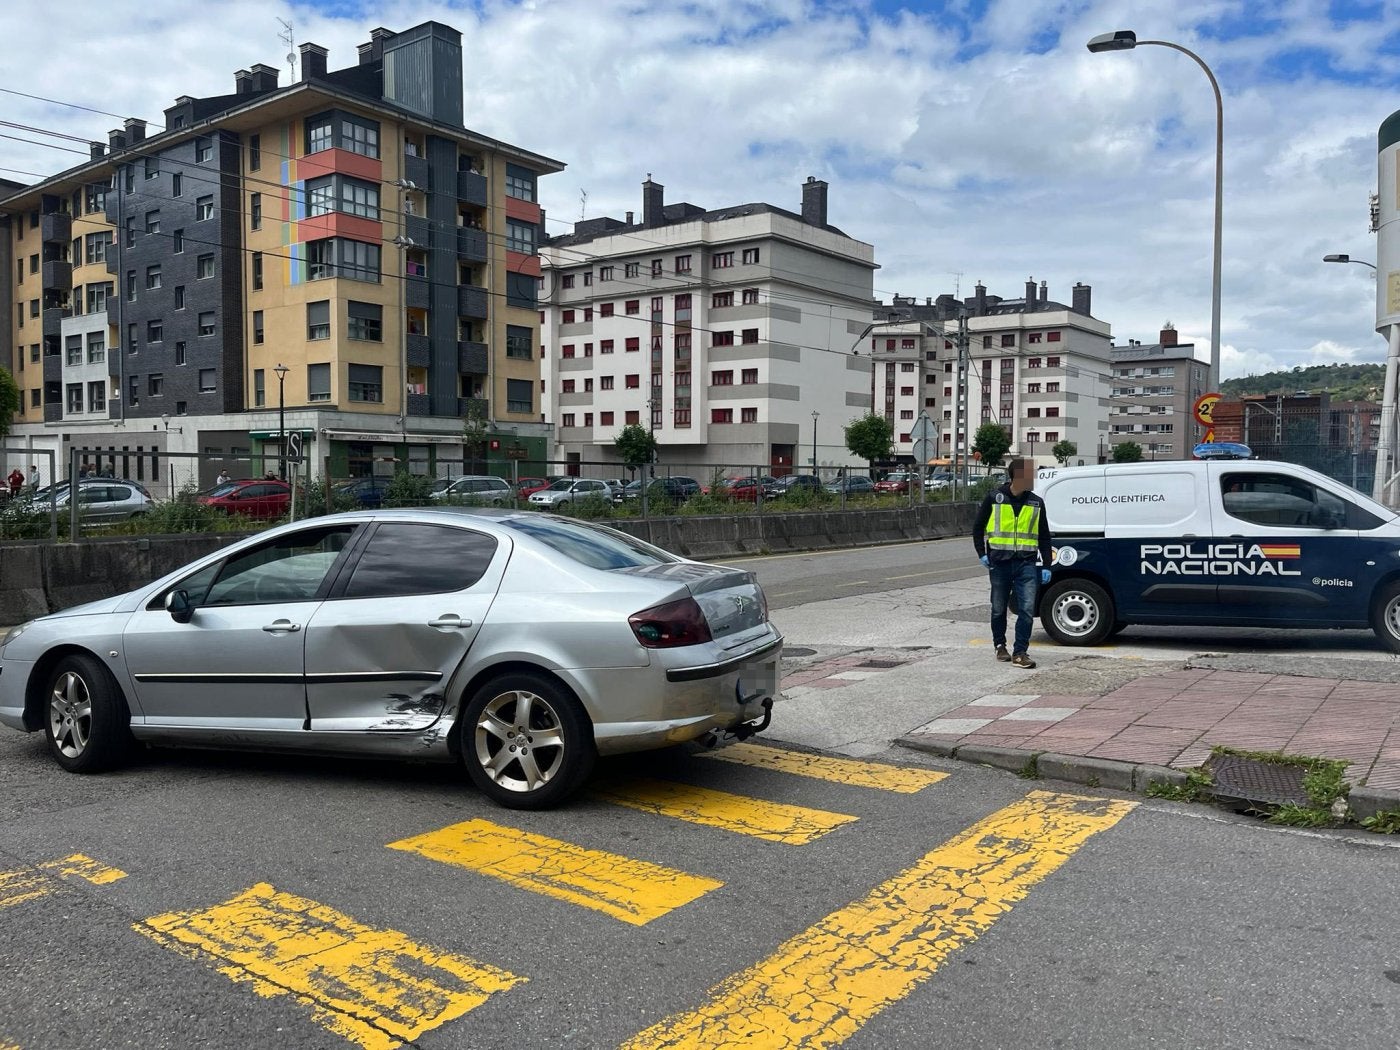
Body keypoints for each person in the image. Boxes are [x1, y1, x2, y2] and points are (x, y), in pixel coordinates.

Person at [972, 457, 1053, 669]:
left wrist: (1046, 565)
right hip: (999, 564)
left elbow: (1044, 536)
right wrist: (982, 553)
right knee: (998, 608)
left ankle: (1020, 652)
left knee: (1026, 609)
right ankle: (1000, 645)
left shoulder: (1036, 502)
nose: (1032, 478)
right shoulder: (994, 498)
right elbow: (977, 528)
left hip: (1026, 563)